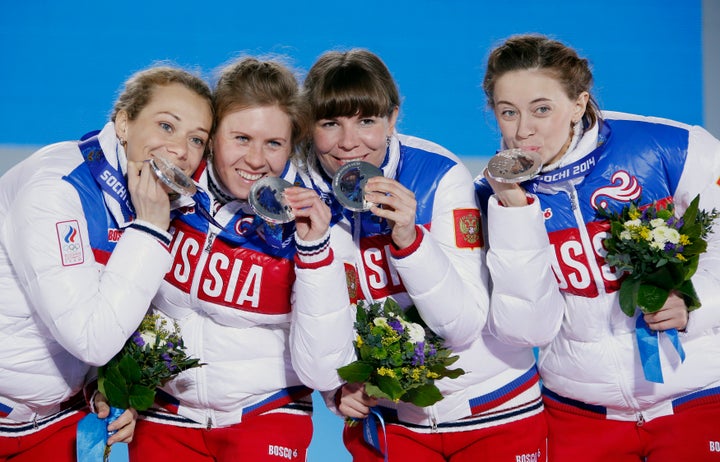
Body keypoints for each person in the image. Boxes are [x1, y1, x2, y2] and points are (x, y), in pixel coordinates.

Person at [290, 49, 548, 462]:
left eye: (367, 121)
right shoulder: (297, 194)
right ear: (307, 126)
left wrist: (409, 239)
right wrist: (334, 387)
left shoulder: (438, 173)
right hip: (392, 424)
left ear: (393, 118)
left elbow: (461, 325)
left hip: (494, 409)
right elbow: (311, 321)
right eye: (329, 123)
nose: (349, 142)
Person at [475, 33, 720, 461]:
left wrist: (693, 306)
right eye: (507, 112)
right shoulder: (488, 198)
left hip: (697, 395)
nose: (523, 129)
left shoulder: (669, 147)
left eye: (542, 109)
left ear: (579, 104)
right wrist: (514, 211)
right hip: (579, 414)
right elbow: (527, 329)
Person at [0, 66, 213, 461]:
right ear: (124, 122)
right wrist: (149, 228)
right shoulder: (56, 189)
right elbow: (90, 339)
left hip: (56, 421)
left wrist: (110, 389)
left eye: (196, 139)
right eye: (166, 126)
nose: (181, 150)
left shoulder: (165, 202)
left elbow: (123, 315)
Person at [128, 57, 330, 462]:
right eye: (241, 138)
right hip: (165, 412)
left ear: (292, 146)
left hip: (267, 410)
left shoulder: (311, 214)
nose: (256, 160)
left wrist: (316, 249)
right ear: (214, 135)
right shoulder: (166, 187)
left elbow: (327, 352)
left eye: (273, 143)